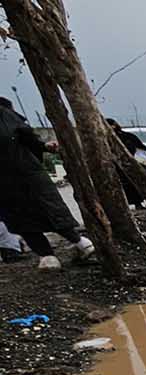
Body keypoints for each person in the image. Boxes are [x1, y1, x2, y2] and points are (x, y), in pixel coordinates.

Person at [0, 97, 95, 269]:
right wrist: (44, 146)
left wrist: (44, 146)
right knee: (45, 213)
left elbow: (30, 139)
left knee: (30, 219)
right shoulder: (9, 118)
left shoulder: (7, 117)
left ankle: (51, 255)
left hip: (15, 180)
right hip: (26, 176)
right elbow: (30, 139)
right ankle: (79, 244)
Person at [106, 118, 146, 209]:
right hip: (117, 167)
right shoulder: (105, 138)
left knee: (132, 185)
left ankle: (137, 204)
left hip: (129, 165)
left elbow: (141, 149)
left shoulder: (127, 136)